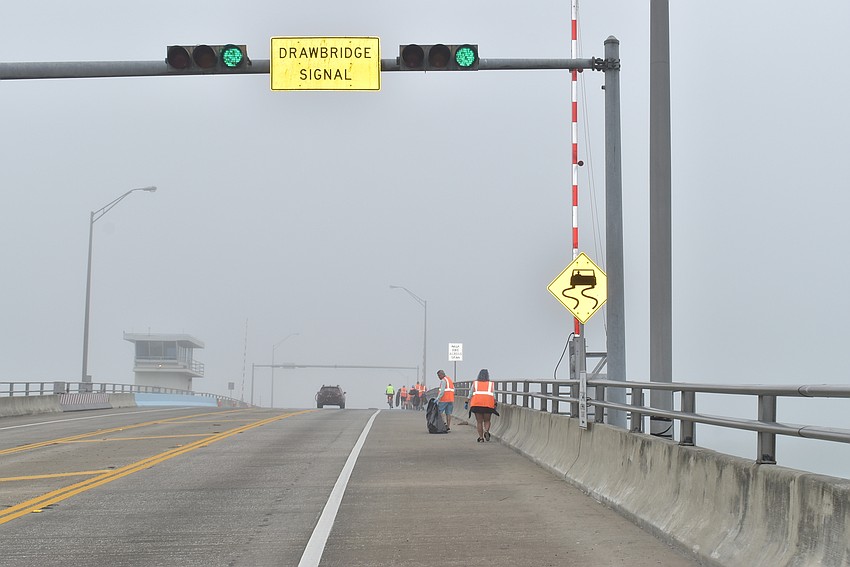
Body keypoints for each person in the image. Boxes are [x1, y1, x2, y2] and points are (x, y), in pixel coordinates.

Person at [468, 369, 498, 442]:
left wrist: (467, 401)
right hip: (488, 404)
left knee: (479, 422)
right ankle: (486, 431)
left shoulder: (475, 383)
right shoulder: (490, 384)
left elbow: (470, 393)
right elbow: (494, 395)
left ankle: (481, 438)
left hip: (476, 404)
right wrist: (495, 403)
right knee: (487, 420)